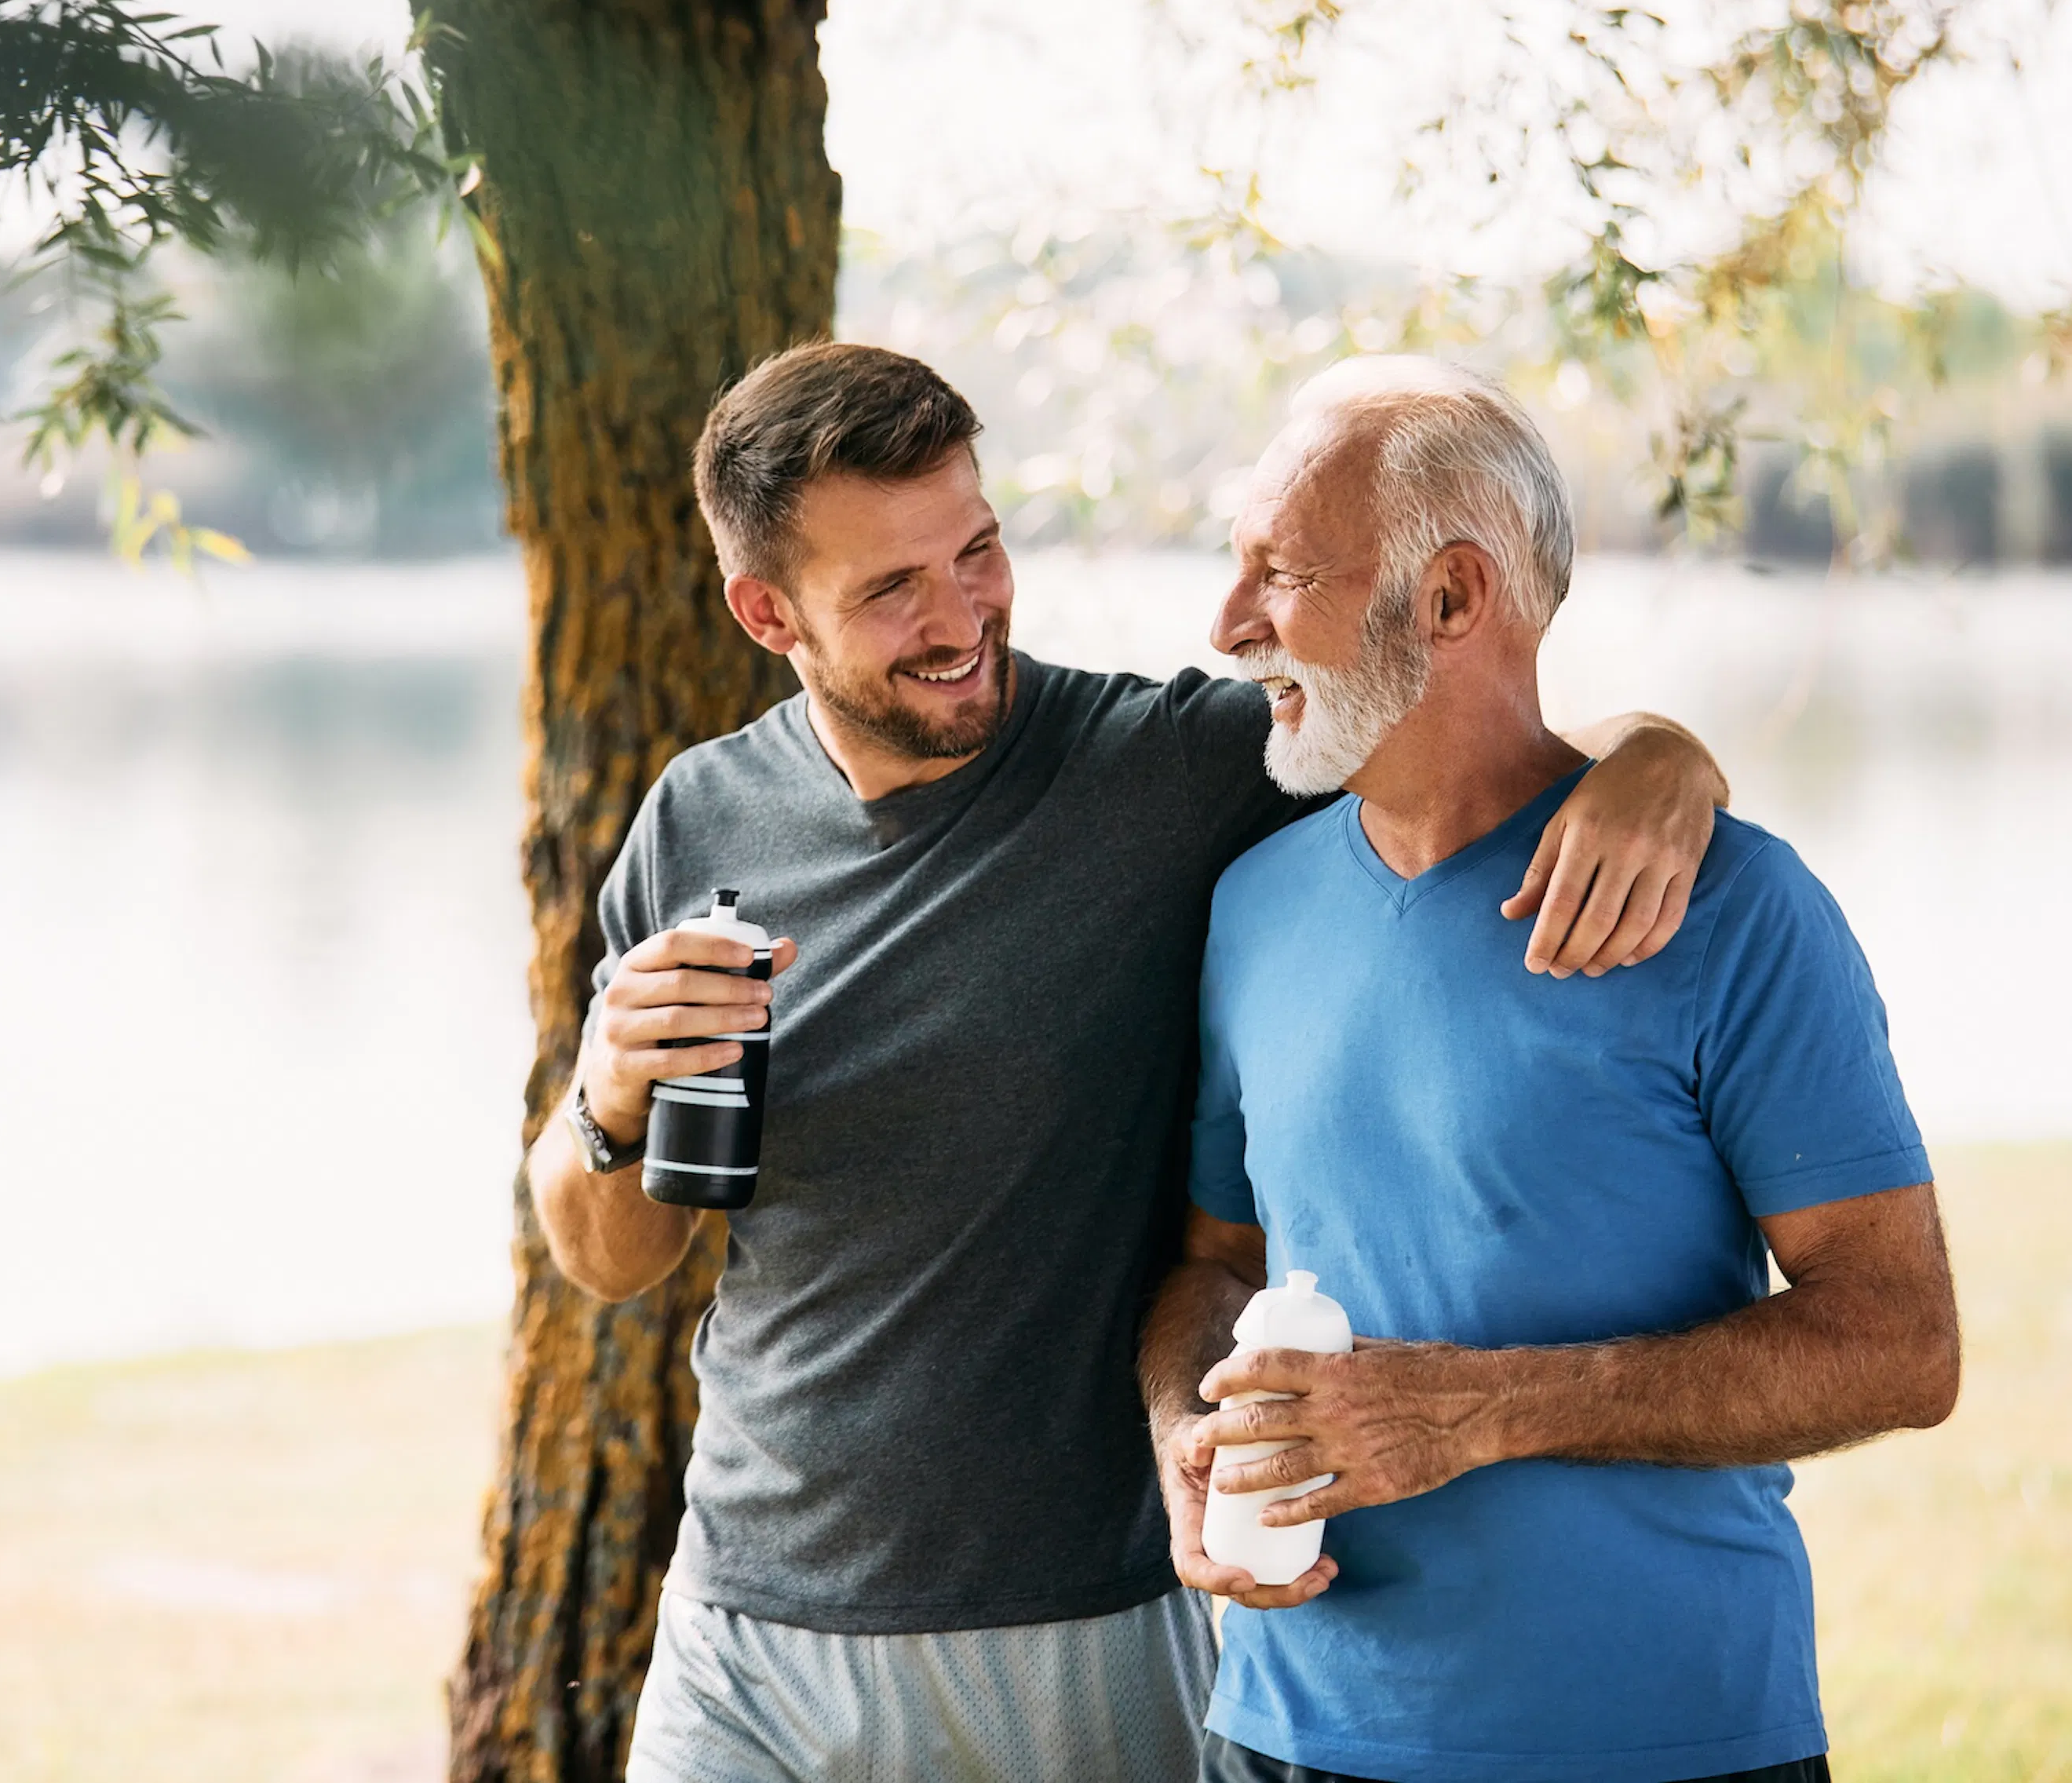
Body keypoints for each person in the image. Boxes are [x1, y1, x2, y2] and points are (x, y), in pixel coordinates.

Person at [531, 341, 1731, 1781]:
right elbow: (609, 1257)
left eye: (974, 549)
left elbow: (1468, 735)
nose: (960, 613)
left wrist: (1660, 754)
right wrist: (605, 1105)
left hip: (1083, 1631)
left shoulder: (1160, 770)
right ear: (765, 609)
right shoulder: (700, 817)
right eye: (892, 587)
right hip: (745, 1632)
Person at [1141, 356, 1961, 1783]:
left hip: (1662, 1740)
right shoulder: (1252, 903)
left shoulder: (1734, 912)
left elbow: (1902, 1343)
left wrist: (1489, 1409)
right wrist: (1181, 1424)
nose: (1226, 628)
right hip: (1282, 1735)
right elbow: (1217, 1257)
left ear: (1452, 599)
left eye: (1282, 575)